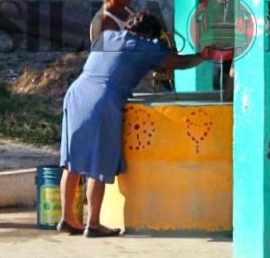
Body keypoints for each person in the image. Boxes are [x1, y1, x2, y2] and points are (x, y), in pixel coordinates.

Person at [58, 12, 209, 237]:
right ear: (149, 35)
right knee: (98, 162)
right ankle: (94, 223)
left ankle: (67, 219)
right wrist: (204, 55)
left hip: (76, 93)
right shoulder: (146, 47)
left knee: (72, 160)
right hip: (102, 101)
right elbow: (180, 62)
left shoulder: (107, 36)